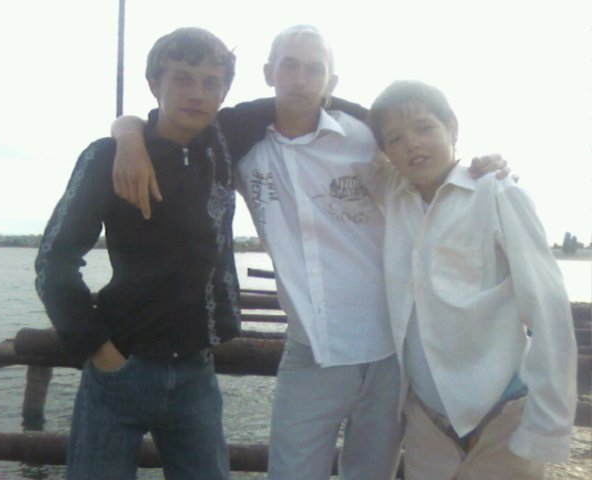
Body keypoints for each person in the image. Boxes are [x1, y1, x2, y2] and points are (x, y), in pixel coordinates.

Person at [110, 25, 509, 480]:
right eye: (290, 66)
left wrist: (474, 168)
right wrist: (127, 135)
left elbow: (423, 161)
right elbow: (164, 122)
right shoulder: (235, 143)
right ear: (269, 73)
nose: (300, 79)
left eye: (314, 70)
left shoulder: (365, 137)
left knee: (372, 473)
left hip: (391, 349)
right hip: (310, 351)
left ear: (330, 82)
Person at [35, 27, 245, 480]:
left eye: (211, 82)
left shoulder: (223, 147)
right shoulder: (106, 157)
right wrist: (99, 351)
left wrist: (127, 127)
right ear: (154, 84)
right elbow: (54, 261)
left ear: (224, 92)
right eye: (182, 78)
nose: (197, 93)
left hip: (197, 373)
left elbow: (308, 103)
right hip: (120, 368)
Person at [360, 79, 577, 480]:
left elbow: (547, 306)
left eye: (424, 127)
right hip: (426, 421)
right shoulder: (392, 197)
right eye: (395, 138)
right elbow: (317, 111)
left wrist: (547, 423)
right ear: (385, 151)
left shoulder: (495, 192)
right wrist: (317, 92)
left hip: (503, 414)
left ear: (453, 128)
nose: (412, 144)